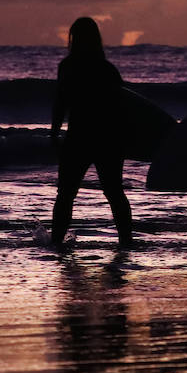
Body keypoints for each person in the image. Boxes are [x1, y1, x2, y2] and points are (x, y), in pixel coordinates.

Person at [51, 17, 133, 248]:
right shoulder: (107, 69)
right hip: (108, 138)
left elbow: (61, 102)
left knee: (66, 194)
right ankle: (126, 241)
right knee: (114, 192)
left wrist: (54, 132)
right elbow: (123, 106)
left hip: (78, 137)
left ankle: (56, 242)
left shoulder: (68, 66)